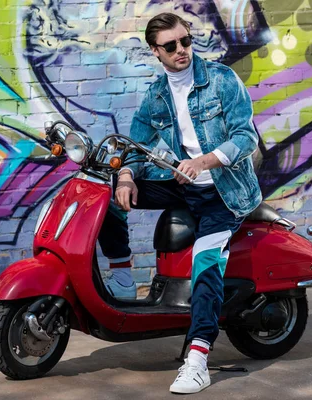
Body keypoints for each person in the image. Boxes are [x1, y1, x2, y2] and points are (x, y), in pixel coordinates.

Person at [97, 12, 262, 394]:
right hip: (185, 184)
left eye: (186, 41)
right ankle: (123, 279)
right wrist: (125, 176)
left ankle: (198, 360)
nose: (181, 50)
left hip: (225, 191)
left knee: (205, 266)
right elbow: (135, 144)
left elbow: (245, 137)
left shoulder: (221, 80)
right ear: (155, 51)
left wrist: (202, 162)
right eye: (170, 46)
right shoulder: (156, 95)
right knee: (105, 194)